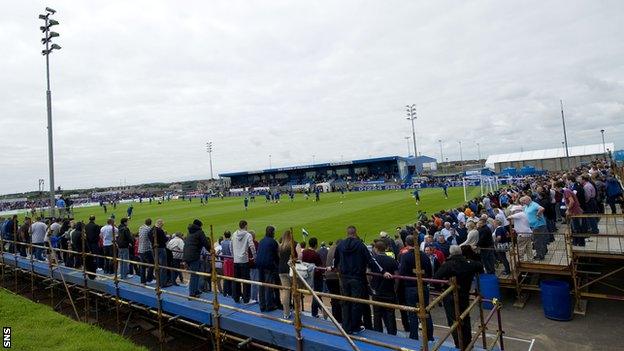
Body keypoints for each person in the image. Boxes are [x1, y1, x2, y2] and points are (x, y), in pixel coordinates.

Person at [333, 226, 391, 335]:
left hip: (344, 278)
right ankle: (355, 327)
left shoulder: (340, 245)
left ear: (347, 233)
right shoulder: (360, 245)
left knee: (346, 302)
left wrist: (332, 267)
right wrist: (383, 272)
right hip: (357, 278)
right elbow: (371, 260)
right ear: (356, 233)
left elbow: (335, 260)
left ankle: (346, 326)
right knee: (356, 303)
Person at [434, 245, 484, 349]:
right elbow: (480, 266)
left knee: (454, 321)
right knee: (465, 318)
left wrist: (440, 289)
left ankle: (460, 345)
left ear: (451, 253)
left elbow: (436, 278)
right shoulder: (469, 263)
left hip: (451, 296)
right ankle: (468, 343)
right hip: (464, 295)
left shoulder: (448, 265)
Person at [399, 242, 434, 341]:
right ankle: (430, 336)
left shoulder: (405, 256)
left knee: (412, 313)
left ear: (406, 244)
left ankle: (414, 337)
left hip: (410, 287)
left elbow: (401, 272)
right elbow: (429, 272)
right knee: (426, 311)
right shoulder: (424, 256)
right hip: (423, 286)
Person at [370, 240, 398, 335]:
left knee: (377, 313)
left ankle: (378, 334)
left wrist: (371, 285)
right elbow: (397, 276)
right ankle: (392, 334)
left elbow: (368, 274)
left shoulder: (373, 260)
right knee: (390, 313)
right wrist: (395, 288)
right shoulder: (391, 260)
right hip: (389, 290)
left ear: (376, 249)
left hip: (377, 291)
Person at [183, 219, 211, 298]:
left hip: (186, 255)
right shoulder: (199, 232)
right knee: (194, 274)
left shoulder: (190, 232)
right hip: (193, 255)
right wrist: (211, 250)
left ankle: (195, 290)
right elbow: (206, 243)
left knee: (195, 274)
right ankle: (192, 293)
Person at [255, 225, 280, 312]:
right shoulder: (273, 242)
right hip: (268, 265)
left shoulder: (262, 240)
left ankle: (262, 305)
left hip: (259, 264)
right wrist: (278, 265)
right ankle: (269, 305)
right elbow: (276, 256)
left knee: (261, 285)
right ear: (272, 233)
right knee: (268, 285)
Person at [231, 220, 256, 304]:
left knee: (237, 280)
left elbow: (231, 246)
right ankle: (246, 299)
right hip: (244, 261)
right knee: (246, 281)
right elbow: (252, 246)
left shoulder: (234, 234)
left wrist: (234, 255)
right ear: (245, 226)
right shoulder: (248, 235)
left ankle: (236, 298)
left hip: (236, 260)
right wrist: (254, 256)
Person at [301, 237, 324, 318]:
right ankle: (318, 311)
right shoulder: (315, 254)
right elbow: (320, 267)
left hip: (306, 276)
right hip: (315, 277)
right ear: (315, 245)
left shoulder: (304, 252)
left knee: (316, 294)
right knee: (316, 294)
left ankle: (321, 309)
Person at [520, 196, 547, 261]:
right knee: (539, 240)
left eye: (524, 201)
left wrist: (538, 214)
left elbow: (542, 208)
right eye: (523, 201)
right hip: (533, 226)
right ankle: (543, 252)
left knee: (537, 241)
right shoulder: (527, 206)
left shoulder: (534, 204)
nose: (523, 202)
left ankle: (540, 255)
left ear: (529, 200)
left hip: (538, 225)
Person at [324, 239, 342, 322]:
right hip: (335, 277)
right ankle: (339, 319)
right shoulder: (338, 250)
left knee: (334, 299)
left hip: (328, 276)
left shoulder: (331, 248)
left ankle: (336, 318)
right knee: (338, 299)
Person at [278, 230, 294, 319]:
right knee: (296, 291)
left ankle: (286, 313)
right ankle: (297, 311)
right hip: (291, 270)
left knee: (285, 291)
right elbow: (299, 256)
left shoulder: (280, 246)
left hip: (281, 270)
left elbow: (279, 256)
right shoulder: (294, 244)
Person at [151, 219, 171, 287]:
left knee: (157, 266)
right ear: (160, 224)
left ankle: (159, 282)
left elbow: (149, 236)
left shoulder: (152, 229)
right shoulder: (160, 230)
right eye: (162, 225)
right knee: (163, 266)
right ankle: (163, 283)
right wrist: (167, 237)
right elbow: (164, 240)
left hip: (155, 249)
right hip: (161, 249)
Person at [138, 218, 155, 284]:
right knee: (152, 264)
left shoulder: (141, 227)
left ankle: (143, 281)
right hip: (146, 249)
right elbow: (151, 238)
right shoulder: (149, 229)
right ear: (150, 223)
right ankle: (149, 279)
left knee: (143, 266)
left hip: (140, 249)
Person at [221, 230, 233, 297]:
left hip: (225, 261)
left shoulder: (222, 242)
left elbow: (223, 252)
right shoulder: (230, 243)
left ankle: (225, 292)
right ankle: (230, 292)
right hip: (230, 261)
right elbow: (231, 252)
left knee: (226, 277)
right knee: (231, 276)